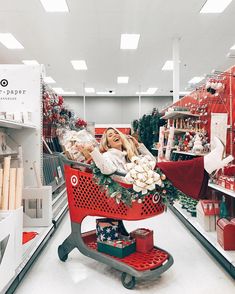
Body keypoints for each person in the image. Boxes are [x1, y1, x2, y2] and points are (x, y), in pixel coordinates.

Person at [78, 127, 234, 200]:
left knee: (166, 168)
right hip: (129, 184)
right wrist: (94, 152)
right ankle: (208, 163)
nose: (115, 136)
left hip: (137, 179)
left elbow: (152, 161)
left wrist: (139, 145)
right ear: (107, 143)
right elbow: (107, 170)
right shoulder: (108, 155)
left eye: (116, 133)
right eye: (110, 135)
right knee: (166, 167)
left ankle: (208, 164)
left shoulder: (125, 155)